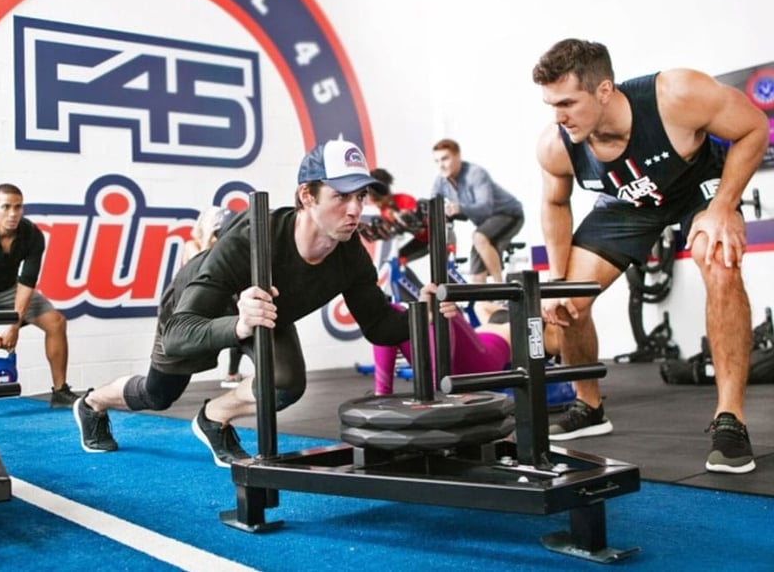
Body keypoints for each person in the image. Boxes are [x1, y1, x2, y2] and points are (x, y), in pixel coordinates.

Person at [73, 138, 431, 465]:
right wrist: (238, 324)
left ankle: (213, 417)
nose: (355, 209)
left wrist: (426, 312)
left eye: (361, 196)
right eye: (341, 196)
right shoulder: (252, 237)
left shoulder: (350, 254)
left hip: (264, 313)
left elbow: (379, 326)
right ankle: (93, 403)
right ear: (307, 195)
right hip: (200, 312)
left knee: (286, 383)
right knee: (158, 395)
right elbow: (178, 334)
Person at [532, 38, 768, 474]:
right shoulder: (557, 145)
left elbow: (754, 125)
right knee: (569, 299)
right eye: (551, 105)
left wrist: (722, 206)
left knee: (719, 262)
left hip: (695, 185)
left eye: (567, 102)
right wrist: (558, 279)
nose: (558, 116)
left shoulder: (676, 96)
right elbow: (555, 204)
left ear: (604, 90)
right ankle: (589, 406)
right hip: (627, 205)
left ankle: (730, 419)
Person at [0, 183, 79, 408]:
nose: (13, 214)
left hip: (9, 290)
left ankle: (60, 392)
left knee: (57, 322)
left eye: (18, 207)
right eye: (6, 207)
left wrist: (14, 325)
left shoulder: (32, 235)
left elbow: (26, 283)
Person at [429, 139, 524, 283]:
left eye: (445, 159)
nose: (441, 165)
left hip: (508, 214)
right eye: (437, 161)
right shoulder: (441, 181)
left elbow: (485, 207)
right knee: (476, 274)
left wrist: (459, 208)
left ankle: (501, 288)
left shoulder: (475, 174)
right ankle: (482, 303)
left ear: (457, 156)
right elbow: (432, 204)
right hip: (485, 224)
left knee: (478, 237)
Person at [372, 299, 511, 395]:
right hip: (454, 354)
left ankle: (435, 389)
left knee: (444, 311)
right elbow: (480, 305)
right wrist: (507, 305)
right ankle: (383, 396)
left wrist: (512, 306)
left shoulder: (511, 326)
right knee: (390, 313)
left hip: (482, 362)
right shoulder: (489, 319)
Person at [181, 206, 243, 388]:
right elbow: (201, 265)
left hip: (217, 299)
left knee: (240, 324)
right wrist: (209, 237)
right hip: (193, 301)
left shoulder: (222, 246)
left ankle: (232, 373)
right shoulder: (191, 245)